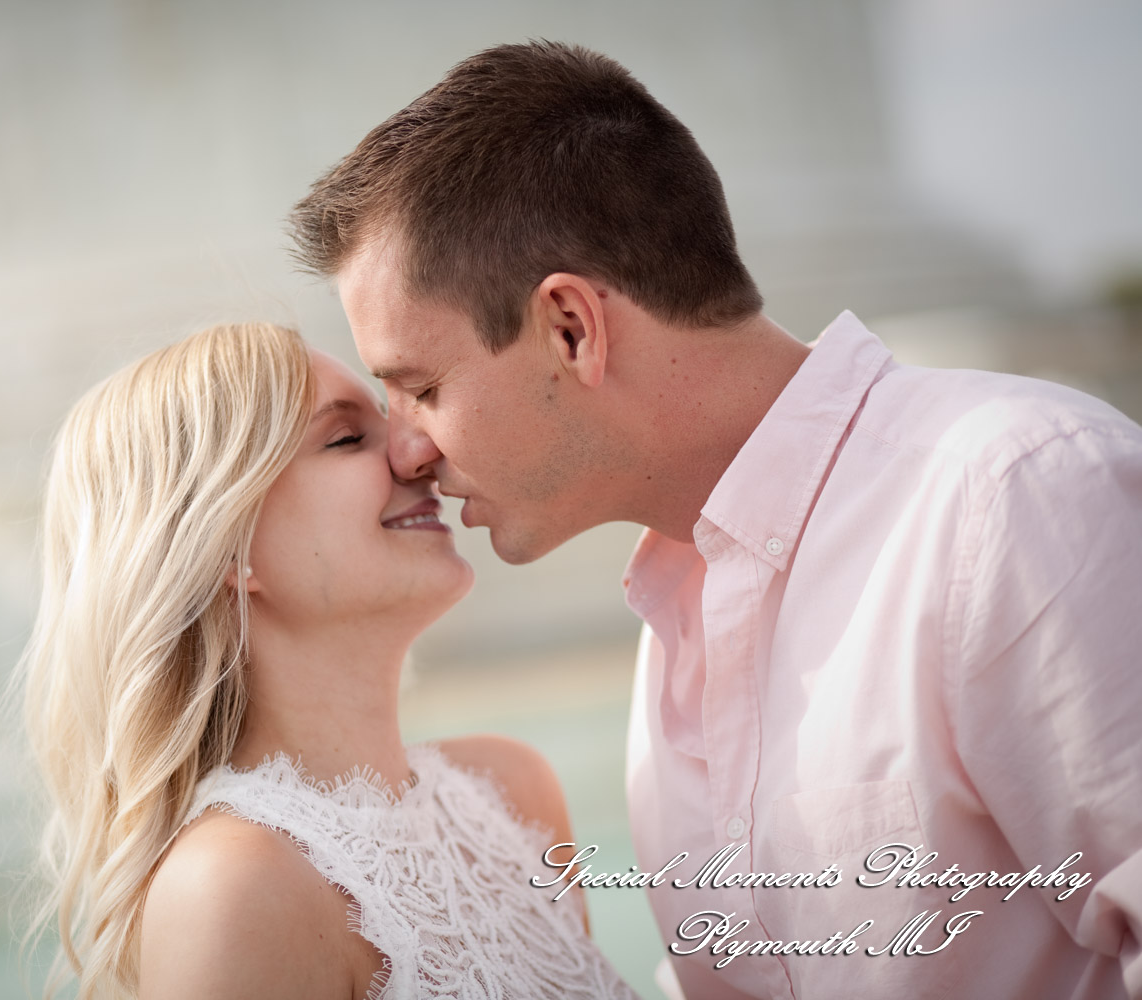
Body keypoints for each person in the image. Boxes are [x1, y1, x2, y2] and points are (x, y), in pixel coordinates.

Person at [289, 40, 1142, 1000]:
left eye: (422, 387)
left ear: (571, 328)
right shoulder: (677, 617)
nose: (407, 452)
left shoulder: (1012, 499)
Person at [9, 321, 640, 1000]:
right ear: (226, 548)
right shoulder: (232, 889)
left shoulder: (511, 791)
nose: (418, 453)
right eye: (345, 438)